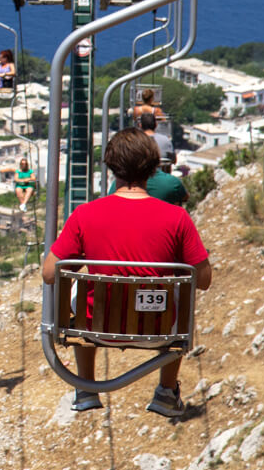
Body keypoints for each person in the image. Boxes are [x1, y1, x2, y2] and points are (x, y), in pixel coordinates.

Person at [41, 128, 212, 417]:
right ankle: (167, 391)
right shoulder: (177, 218)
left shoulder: (85, 215)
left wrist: (84, 258)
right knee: (180, 289)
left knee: (78, 287)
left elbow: (48, 273)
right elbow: (204, 280)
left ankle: (86, 387)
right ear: (153, 167)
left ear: (111, 167)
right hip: (158, 328)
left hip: (97, 327)